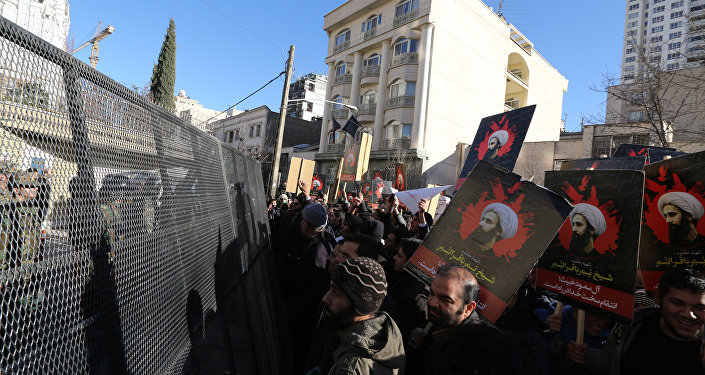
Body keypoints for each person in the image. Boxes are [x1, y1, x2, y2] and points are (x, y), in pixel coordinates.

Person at [577, 269, 705, 375]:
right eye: (677, 303)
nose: (689, 314)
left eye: (700, 307)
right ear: (658, 297)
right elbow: (609, 362)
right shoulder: (631, 327)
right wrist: (583, 356)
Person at [406, 265, 506, 374]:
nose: (431, 302)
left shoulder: (477, 351)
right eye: (432, 293)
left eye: (445, 299)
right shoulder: (441, 322)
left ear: (468, 308)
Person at [320, 257, 405, 374]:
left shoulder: (351, 368)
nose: (325, 298)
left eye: (336, 292)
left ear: (359, 305)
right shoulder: (387, 338)